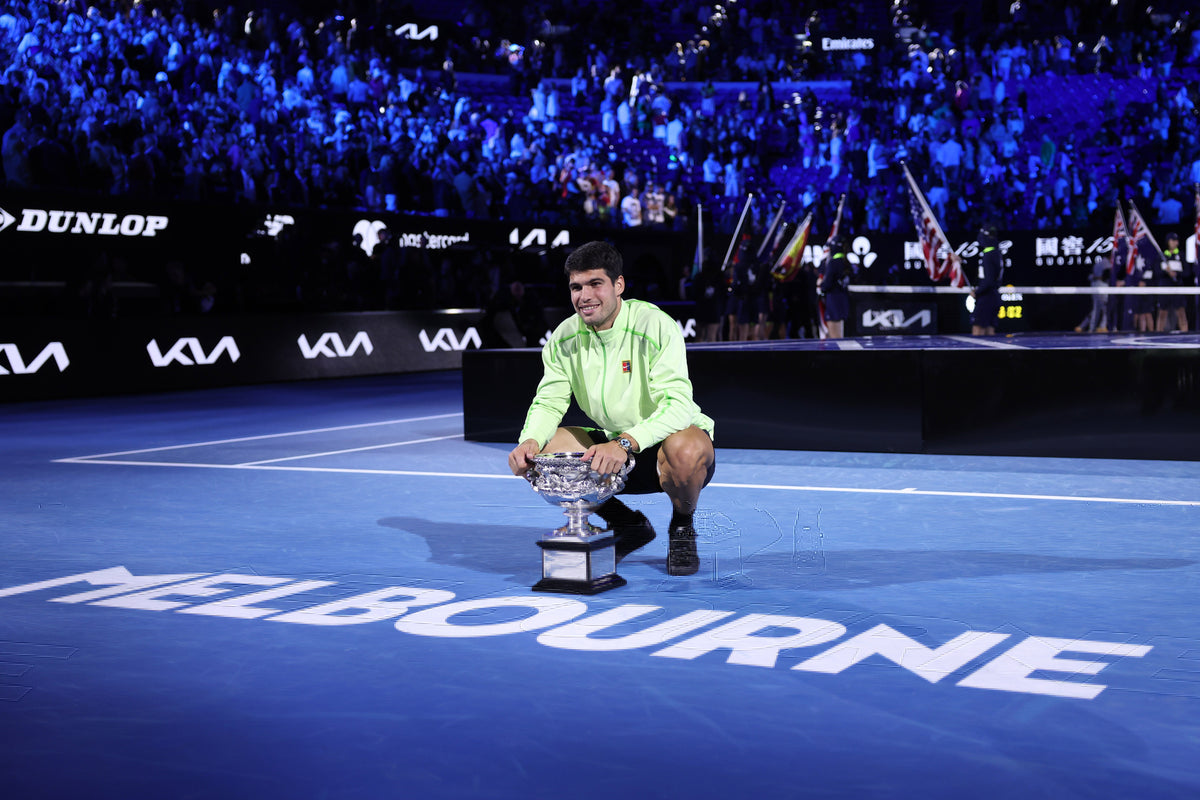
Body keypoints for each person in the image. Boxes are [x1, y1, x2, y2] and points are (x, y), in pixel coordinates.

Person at [507, 241, 716, 576]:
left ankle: (681, 525)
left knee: (687, 450)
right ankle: (627, 525)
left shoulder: (654, 324)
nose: (584, 296)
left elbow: (678, 405)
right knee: (547, 451)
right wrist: (529, 441)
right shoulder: (564, 338)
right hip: (612, 446)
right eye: (576, 287)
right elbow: (549, 400)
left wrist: (625, 443)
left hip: (665, 441)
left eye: (595, 284)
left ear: (619, 285)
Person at [971, 224, 1003, 335]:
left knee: (978, 329)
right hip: (993, 295)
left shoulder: (989, 255)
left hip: (987, 297)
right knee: (990, 329)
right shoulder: (996, 253)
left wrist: (977, 292)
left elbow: (989, 280)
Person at [817, 235, 851, 339]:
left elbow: (827, 284)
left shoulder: (833, 263)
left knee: (835, 338)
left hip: (833, 302)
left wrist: (820, 284)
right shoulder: (845, 262)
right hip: (842, 301)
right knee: (839, 334)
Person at [1156, 233, 1188, 332]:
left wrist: (1176, 274)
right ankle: (1159, 334)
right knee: (1162, 313)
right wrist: (1166, 271)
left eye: (1176, 240)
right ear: (1168, 242)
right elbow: (1156, 272)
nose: (1175, 243)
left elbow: (1187, 272)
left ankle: (1185, 334)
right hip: (1164, 287)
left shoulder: (1181, 255)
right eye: (1172, 240)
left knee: (1181, 313)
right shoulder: (1162, 255)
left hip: (1177, 287)